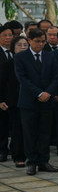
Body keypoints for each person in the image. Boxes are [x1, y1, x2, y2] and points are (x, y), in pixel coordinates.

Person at [15, 28, 58, 175]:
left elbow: (56, 76)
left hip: (47, 101)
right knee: (30, 133)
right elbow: (22, 79)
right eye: (37, 41)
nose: (40, 44)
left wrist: (48, 92)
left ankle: (44, 161)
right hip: (29, 102)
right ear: (29, 41)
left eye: (43, 41)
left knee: (45, 132)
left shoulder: (50, 56)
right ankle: (32, 161)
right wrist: (39, 93)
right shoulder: (21, 57)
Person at [0, 35, 27, 167]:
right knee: (17, 129)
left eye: (25, 45)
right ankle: (18, 156)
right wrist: (1, 100)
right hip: (14, 101)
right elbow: (1, 83)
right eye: (19, 45)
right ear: (13, 48)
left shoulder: (31, 62)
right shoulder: (8, 64)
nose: (22, 47)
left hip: (31, 100)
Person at [0, 24, 14, 162]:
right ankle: (2, 150)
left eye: (10, 35)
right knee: (2, 125)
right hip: (2, 94)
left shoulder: (17, 51)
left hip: (15, 95)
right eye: (4, 35)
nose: (8, 38)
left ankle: (15, 149)